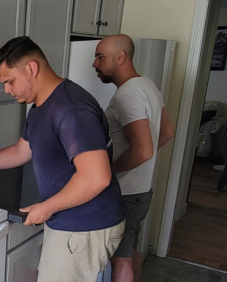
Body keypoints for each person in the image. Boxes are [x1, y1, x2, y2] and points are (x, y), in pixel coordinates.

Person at [0, 36, 125, 282]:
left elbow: (97, 176)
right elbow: (21, 151)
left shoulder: (70, 109)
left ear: (31, 68)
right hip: (72, 220)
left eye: (10, 81)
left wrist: (46, 207)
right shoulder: (41, 106)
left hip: (84, 226)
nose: (7, 89)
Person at [93, 34, 175, 282]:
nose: (95, 64)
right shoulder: (146, 84)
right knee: (128, 250)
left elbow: (143, 150)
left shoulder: (126, 94)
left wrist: (109, 172)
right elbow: (167, 132)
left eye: (100, 57)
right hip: (140, 189)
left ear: (121, 57)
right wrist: (142, 162)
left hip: (125, 192)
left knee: (121, 257)